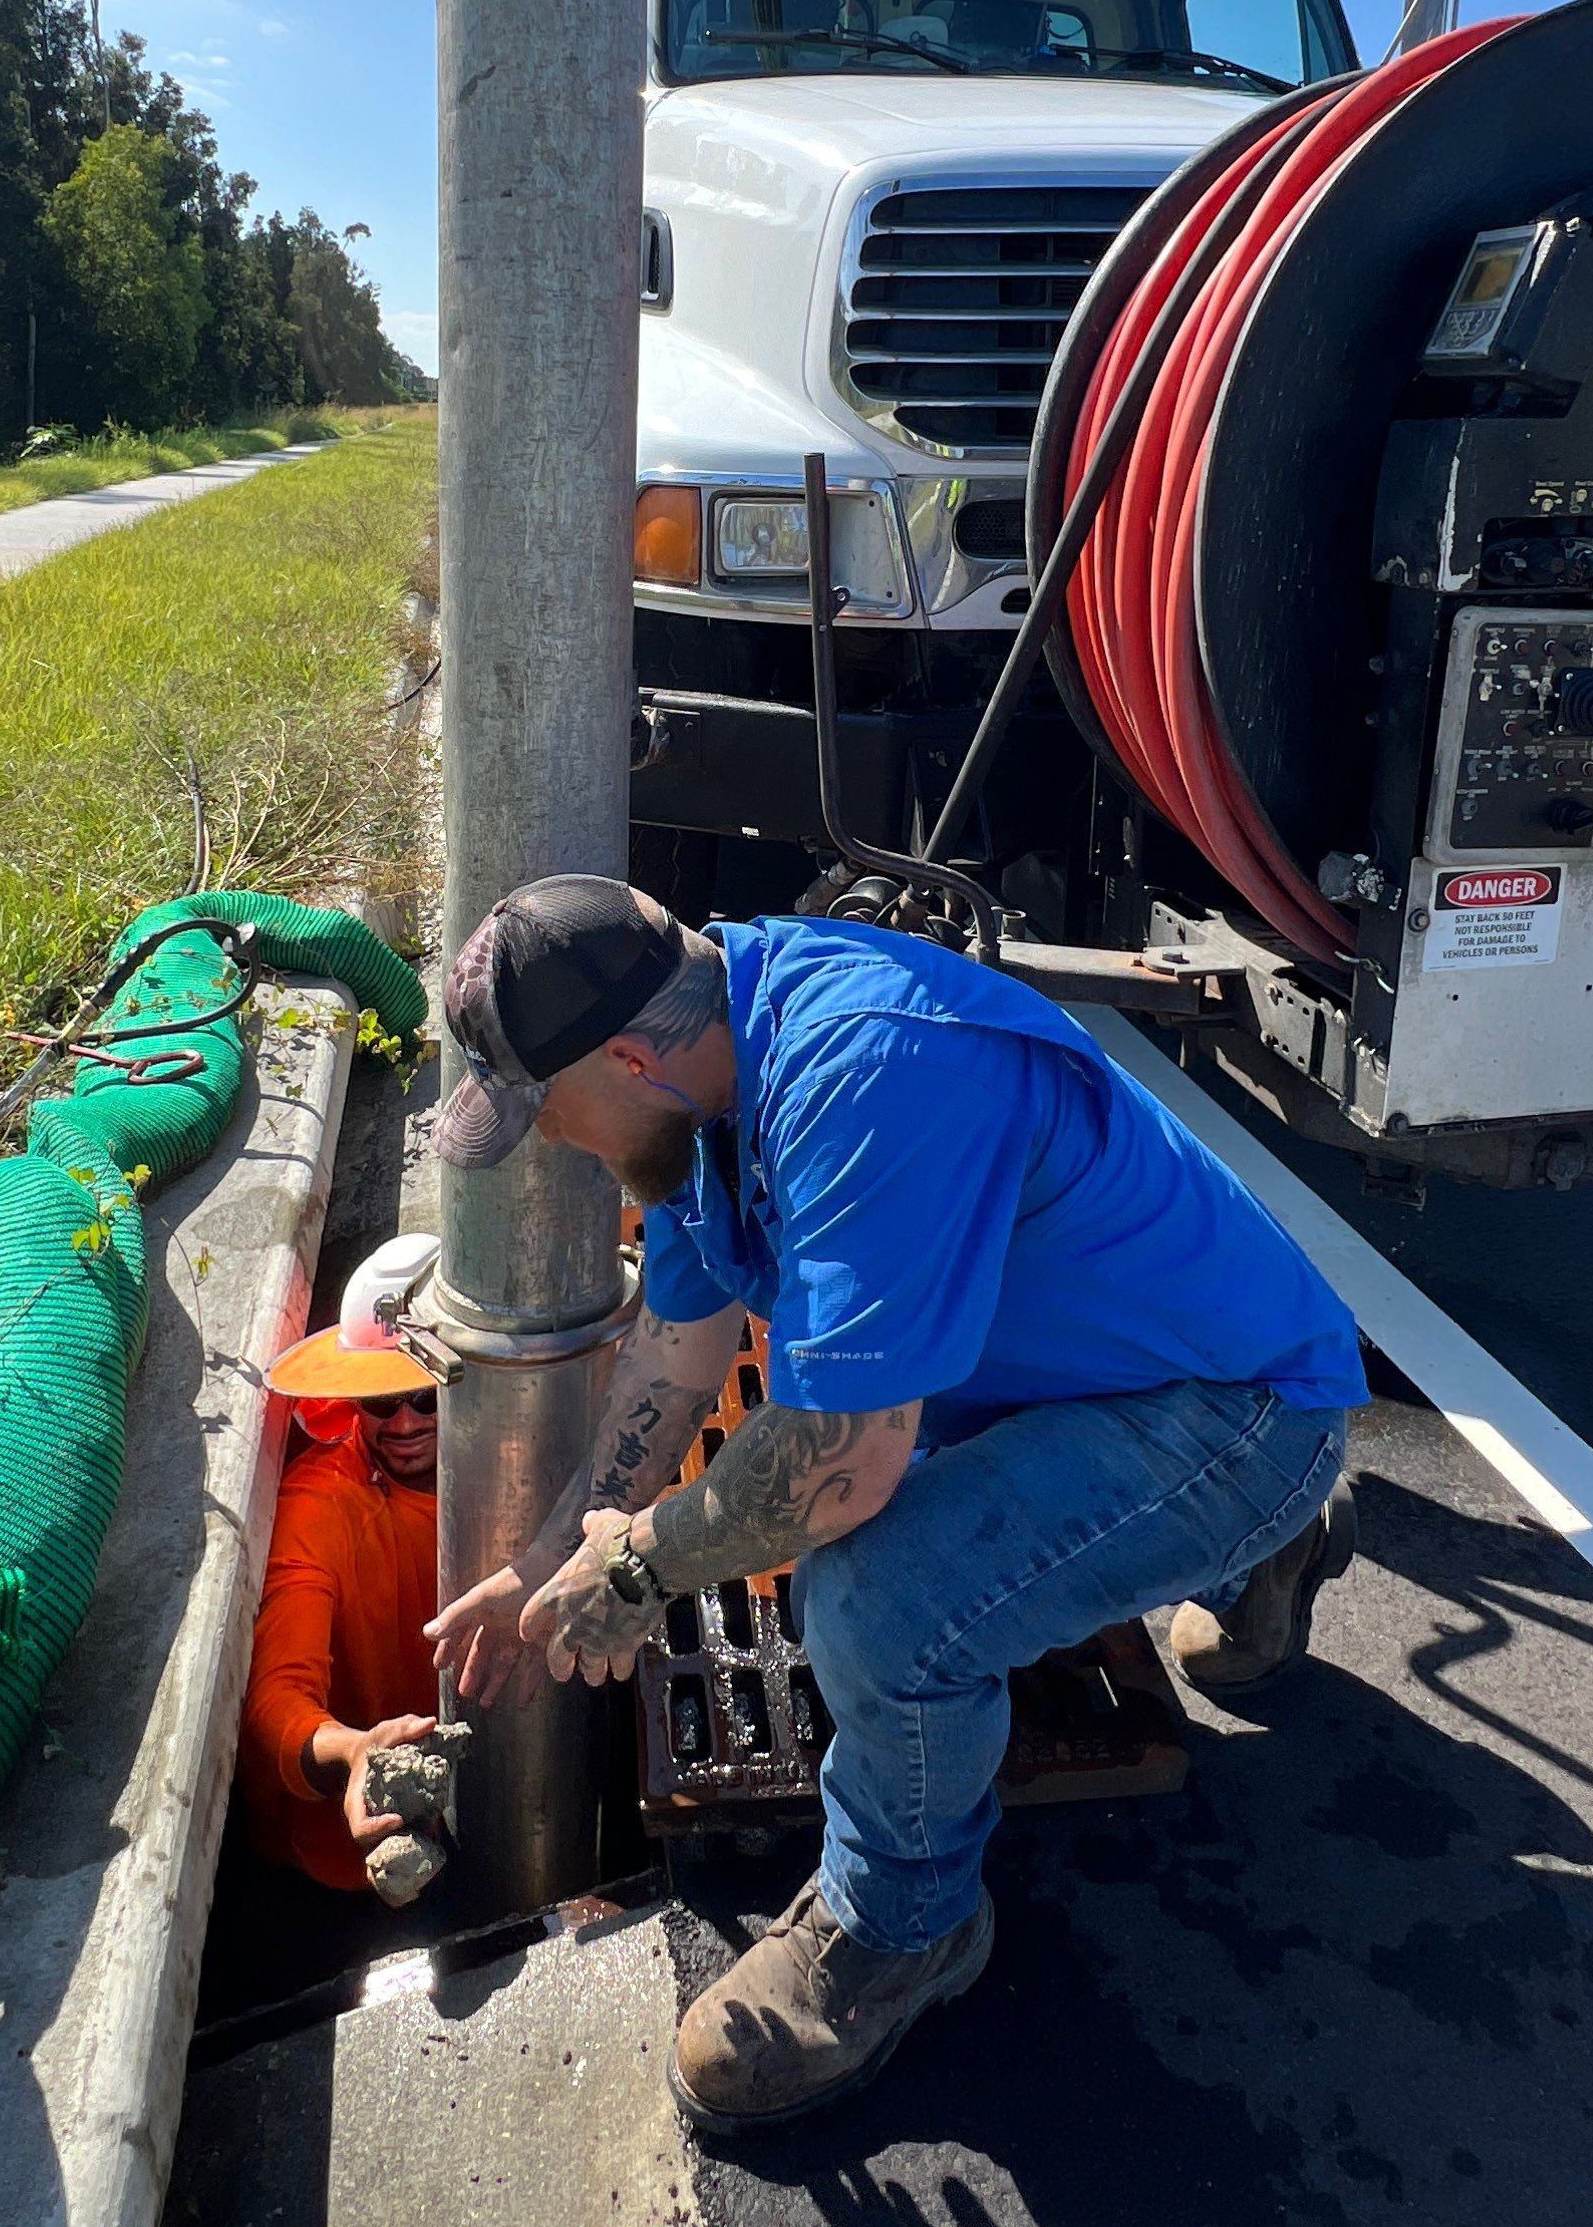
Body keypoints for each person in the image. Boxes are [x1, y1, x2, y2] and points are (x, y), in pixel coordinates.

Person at [427, 879, 1365, 2138]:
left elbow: (836, 1467)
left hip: (1234, 1408)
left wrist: (641, 1569)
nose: (548, 1143)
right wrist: (552, 1555)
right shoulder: (709, 1068)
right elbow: (677, 1354)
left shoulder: (865, 1073)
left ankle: (905, 1929)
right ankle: (1250, 1546)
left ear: (630, 1057)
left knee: (879, 1600)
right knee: (887, 1531)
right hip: (1100, 1377)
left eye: (547, 1112)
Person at [239, 1234, 446, 1892]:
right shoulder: (321, 1506)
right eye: (380, 1400)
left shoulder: (522, 1454)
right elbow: (275, 1700)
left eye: (425, 1395)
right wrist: (357, 1751)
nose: (405, 1424)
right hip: (357, 1853)